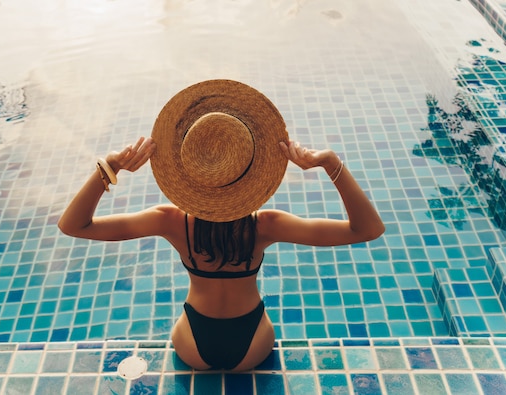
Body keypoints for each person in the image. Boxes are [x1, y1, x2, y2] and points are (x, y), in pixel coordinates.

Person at [58, 80, 385, 371]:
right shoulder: (267, 225)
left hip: (193, 348)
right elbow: (367, 230)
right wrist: (330, 163)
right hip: (253, 346)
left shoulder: (170, 221)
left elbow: (74, 225)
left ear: (187, 171)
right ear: (253, 170)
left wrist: (109, 167)